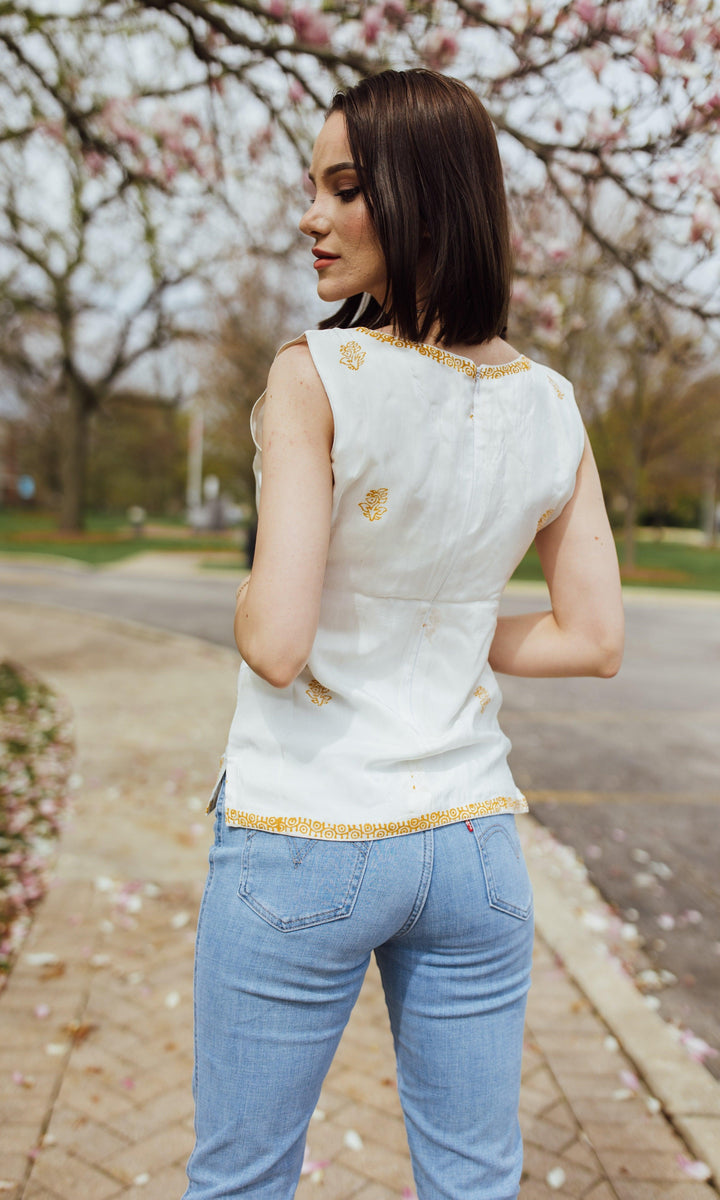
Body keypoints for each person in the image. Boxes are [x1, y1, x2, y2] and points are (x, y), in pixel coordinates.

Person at [183, 69, 624, 1200]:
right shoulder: (552, 403)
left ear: (420, 196)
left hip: (306, 829)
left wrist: (268, 604)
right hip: (473, 845)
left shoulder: (315, 371)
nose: (309, 217)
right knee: (475, 1182)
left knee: (242, 1181)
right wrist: (440, 624)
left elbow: (277, 642)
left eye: (344, 188)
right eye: (312, 188)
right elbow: (592, 638)